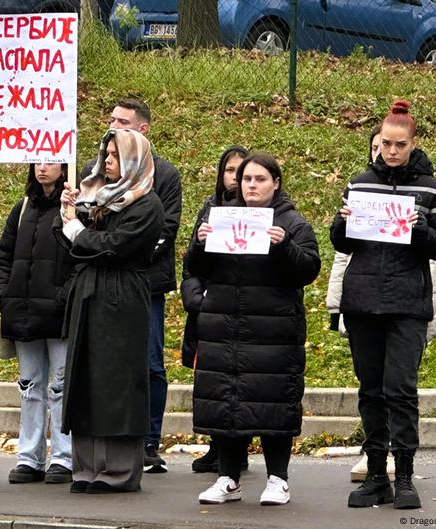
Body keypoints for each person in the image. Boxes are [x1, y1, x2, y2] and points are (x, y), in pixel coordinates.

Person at [331, 100, 436, 510]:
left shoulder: (431, 188)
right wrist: (342, 222)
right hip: (364, 301)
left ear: (412, 143)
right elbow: (341, 242)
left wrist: (423, 232)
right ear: (377, 142)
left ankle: (404, 475)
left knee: (400, 390)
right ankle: (374, 474)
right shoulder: (359, 183)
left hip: (407, 302)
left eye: (400, 144)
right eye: (386, 143)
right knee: (370, 391)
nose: (391, 151)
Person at [188, 152, 320, 506]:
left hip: (272, 333)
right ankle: (228, 478)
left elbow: (308, 268)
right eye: (246, 179)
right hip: (224, 329)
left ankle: (278, 479)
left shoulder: (292, 223)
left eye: (260, 179)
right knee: (228, 404)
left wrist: (285, 247)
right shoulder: (221, 217)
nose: (251, 186)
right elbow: (194, 266)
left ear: (276, 183)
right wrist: (200, 242)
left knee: (272, 402)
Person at [57, 128, 165, 494]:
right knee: (86, 381)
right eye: (107, 155)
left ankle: (117, 469)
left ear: (134, 160)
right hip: (90, 293)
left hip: (121, 297)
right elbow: (78, 244)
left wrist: (76, 230)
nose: (108, 162)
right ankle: (86, 466)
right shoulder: (99, 200)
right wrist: (70, 215)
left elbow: (114, 246)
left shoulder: (148, 205)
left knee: (116, 383)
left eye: (116, 156)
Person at [80, 97, 181, 473]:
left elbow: (164, 230)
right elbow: (85, 229)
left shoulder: (163, 175)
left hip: (145, 283)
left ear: (142, 129)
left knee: (150, 363)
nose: (115, 126)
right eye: (111, 120)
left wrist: (123, 253)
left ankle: (149, 441)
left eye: (123, 121)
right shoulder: (94, 172)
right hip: (99, 286)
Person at [0, 162, 75, 485]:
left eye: (50, 160)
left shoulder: (72, 209)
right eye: (37, 160)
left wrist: (63, 298)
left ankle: (63, 456)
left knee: (59, 387)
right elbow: (4, 253)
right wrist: (3, 293)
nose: (43, 167)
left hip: (57, 316)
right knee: (29, 387)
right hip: (23, 312)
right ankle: (29, 456)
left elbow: (78, 258)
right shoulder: (23, 207)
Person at [180, 146, 250, 474]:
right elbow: (192, 262)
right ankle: (215, 445)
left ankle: (237, 448)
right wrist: (196, 299)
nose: (234, 178)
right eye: (228, 170)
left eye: (241, 171)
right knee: (210, 381)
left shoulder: (260, 212)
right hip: (209, 308)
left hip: (242, 309)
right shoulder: (211, 208)